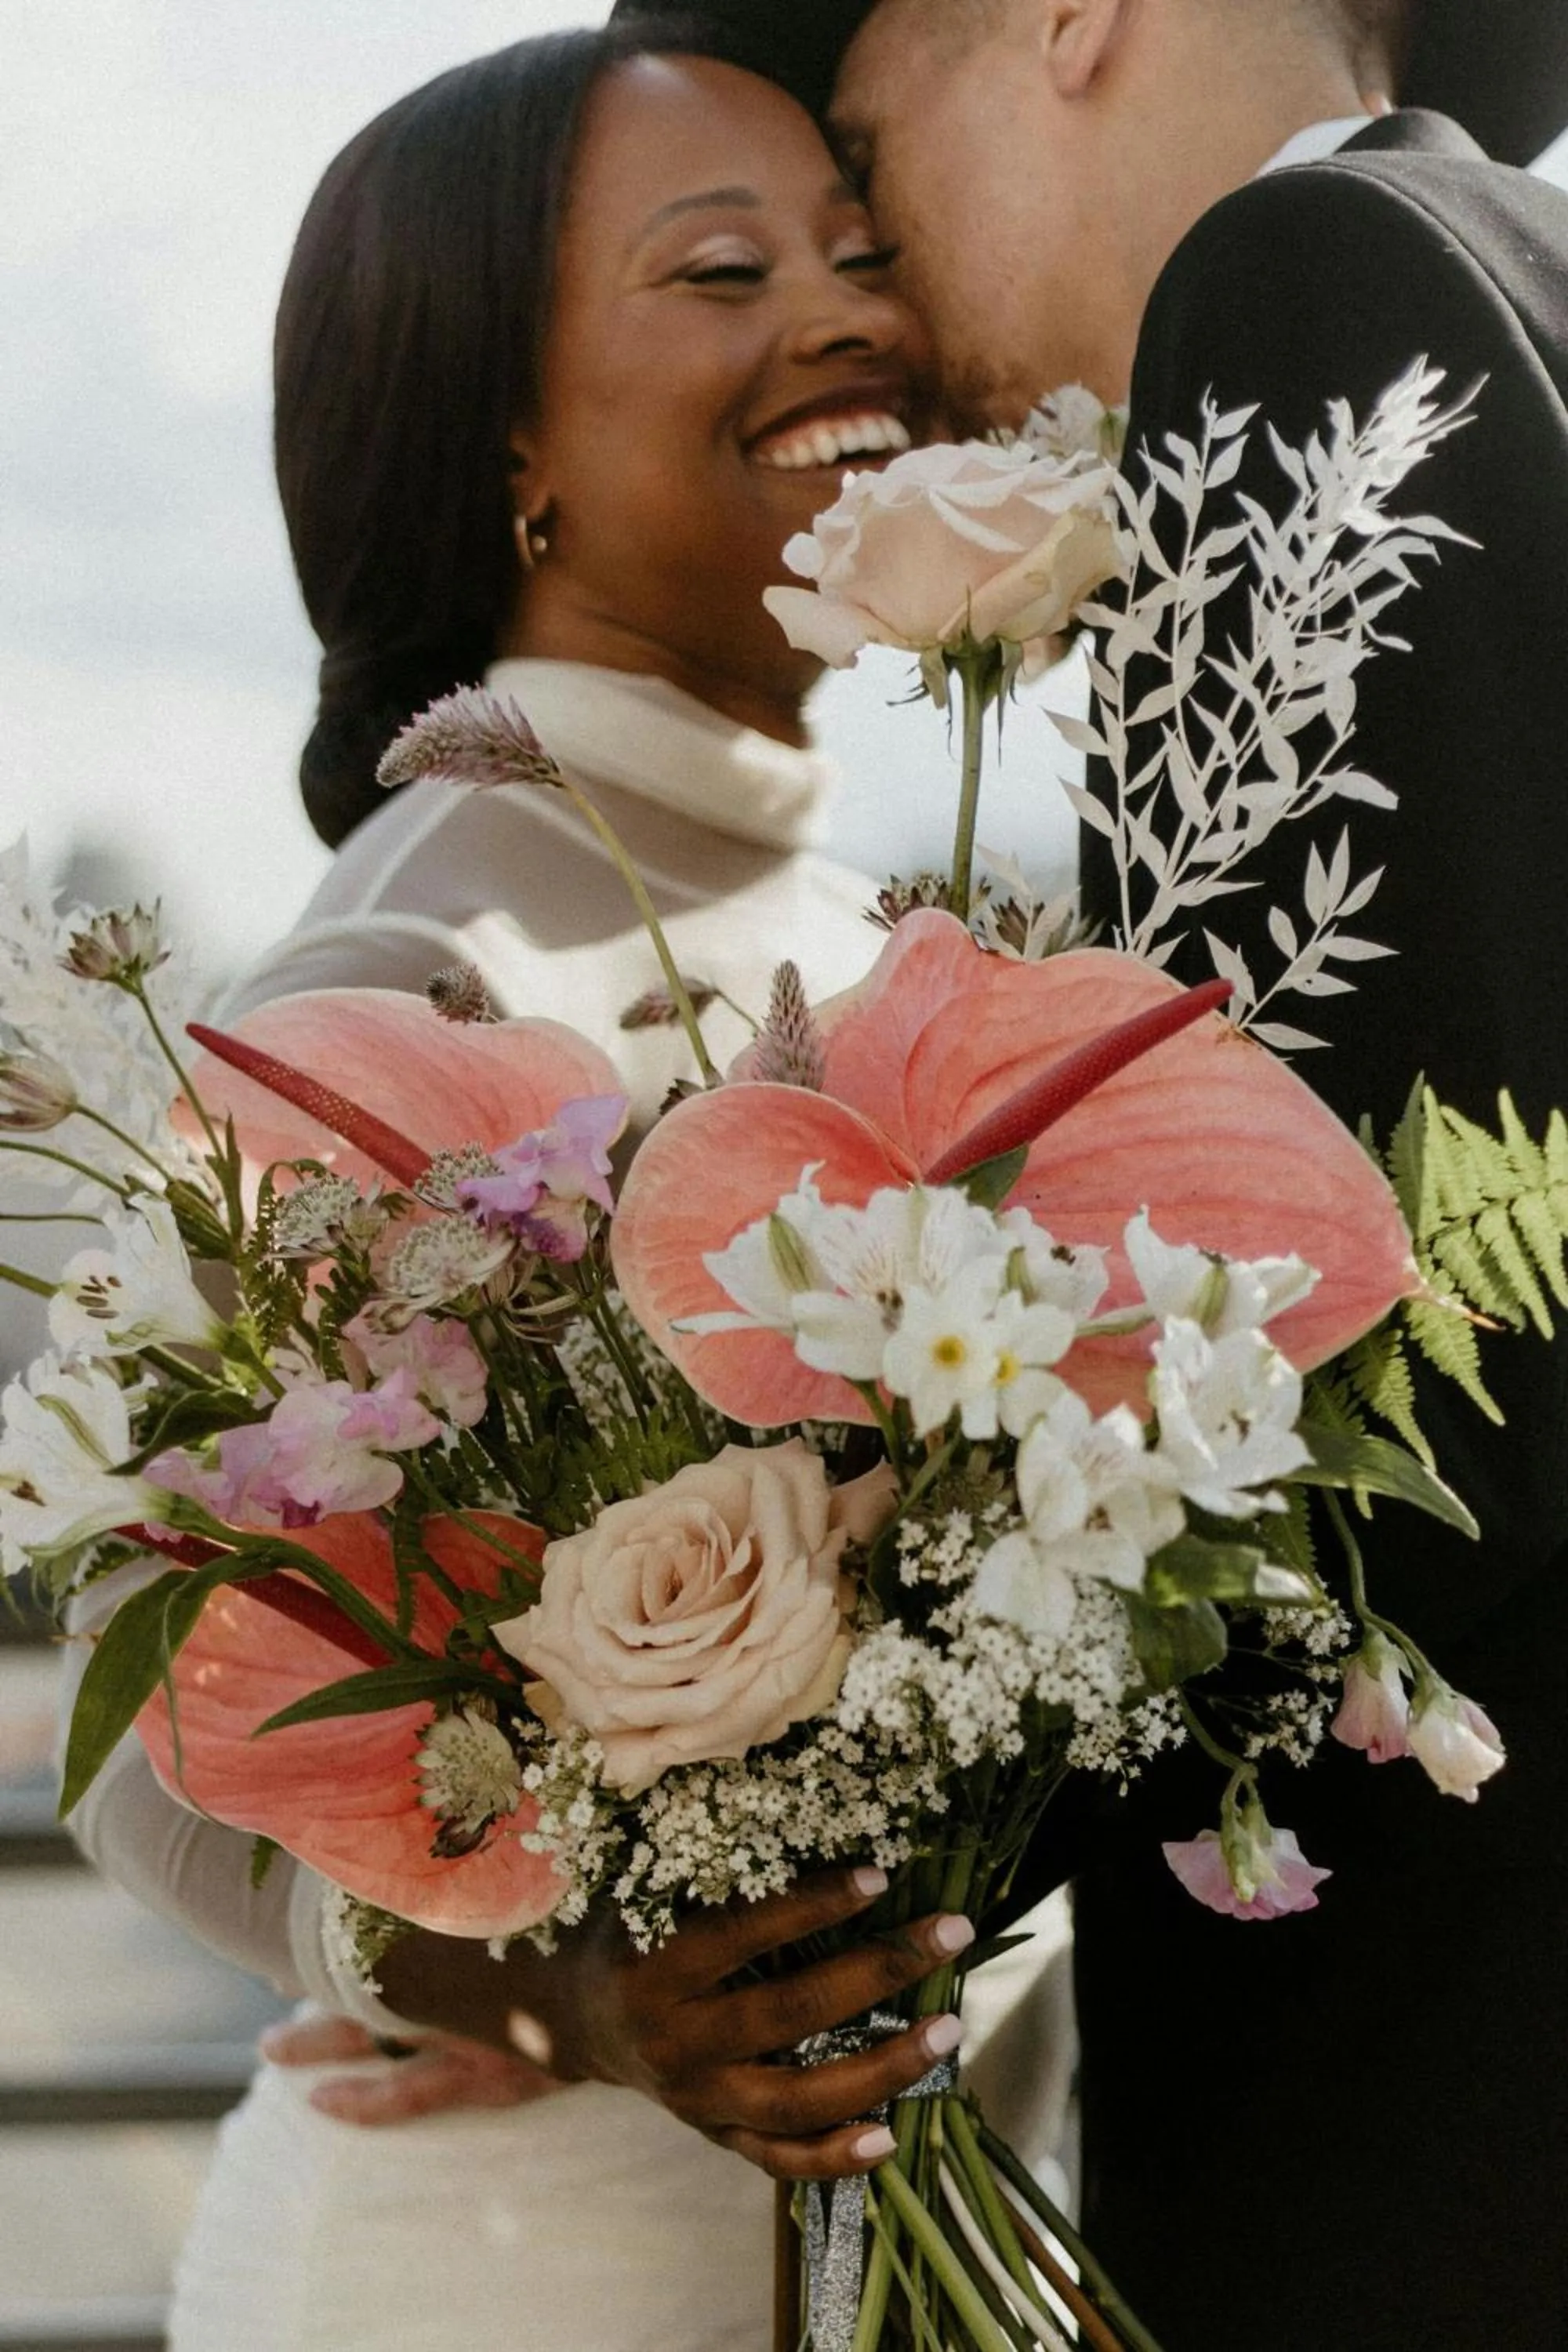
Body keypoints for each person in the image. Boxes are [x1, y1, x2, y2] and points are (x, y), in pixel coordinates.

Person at [63, 21, 1076, 2349]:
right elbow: (135, 1732)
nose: (852, 317)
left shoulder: (883, 919)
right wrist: (549, 1997)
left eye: (856, 244)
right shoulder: (438, 938)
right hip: (520, 2280)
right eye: (718, 269)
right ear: (506, 442)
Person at [655, 0, 1568, 2342]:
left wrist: (760, 1828)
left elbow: (1356, 1333)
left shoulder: (1296, 285)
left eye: (867, 153)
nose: (876, 266)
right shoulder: (1511, 272)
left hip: (1425, 2102)